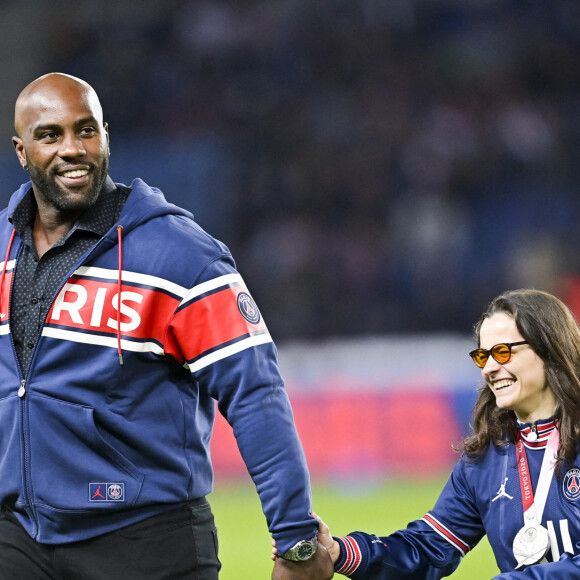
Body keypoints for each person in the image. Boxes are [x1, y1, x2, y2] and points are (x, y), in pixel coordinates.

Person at [0, 72, 333, 580]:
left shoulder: (180, 255)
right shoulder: (1, 248)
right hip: (18, 535)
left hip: (145, 540)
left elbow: (255, 392)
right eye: (50, 135)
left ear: (106, 135)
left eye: (86, 130)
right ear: (21, 152)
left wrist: (296, 539)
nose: (73, 148)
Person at [273, 289, 580, 578]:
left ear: (548, 348)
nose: (489, 368)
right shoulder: (485, 459)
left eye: (501, 352)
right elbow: (427, 549)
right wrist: (341, 553)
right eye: (482, 357)